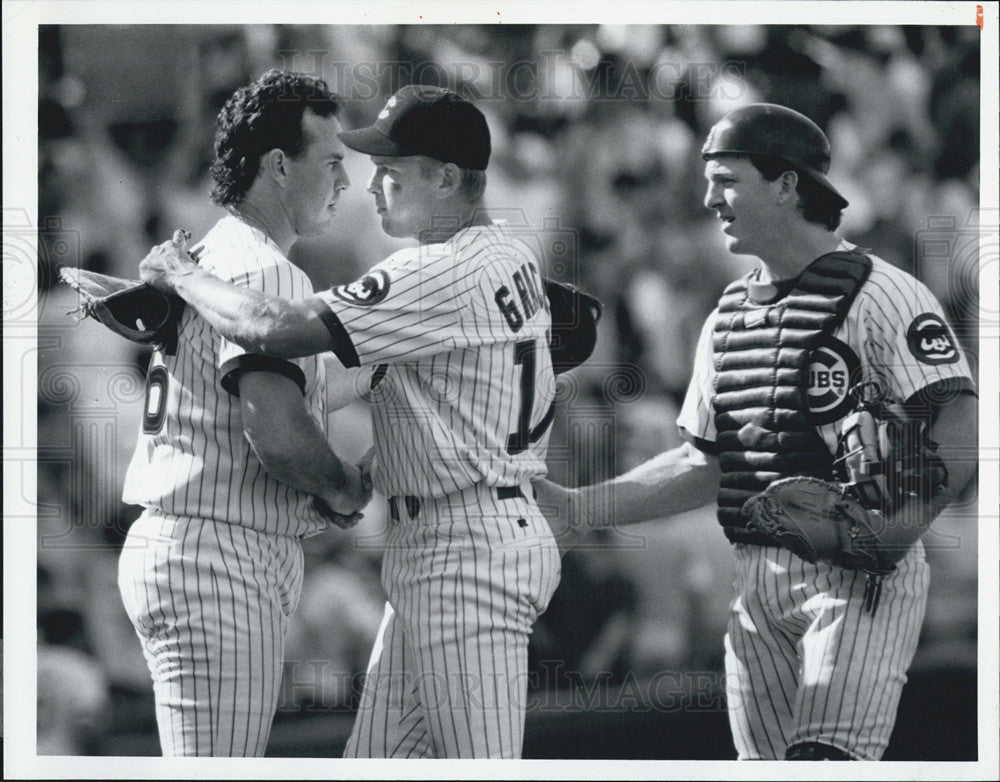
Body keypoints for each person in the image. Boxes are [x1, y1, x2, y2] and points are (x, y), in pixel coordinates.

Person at [538, 104, 978, 760]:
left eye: (727, 179)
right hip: (754, 579)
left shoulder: (884, 294)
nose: (709, 197)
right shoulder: (728, 314)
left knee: (824, 761)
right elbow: (707, 460)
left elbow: (961, 419)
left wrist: (892, 527)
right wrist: (583, 506)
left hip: (852, 577)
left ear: (786, 184)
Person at [138, 84, 562, 759]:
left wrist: (184, 276)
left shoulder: (437, 271)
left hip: (468, 550)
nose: (371, 187)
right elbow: (335, 386)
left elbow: (268, 326)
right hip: (452, 536)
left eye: (392, 173)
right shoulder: (508, 253)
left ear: (448, 178)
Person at [116, 70, 371, 757]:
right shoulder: (266, 270)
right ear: (280, 166)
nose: (344, 183)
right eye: (333, 164)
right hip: (217, 553)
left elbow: (282, 397)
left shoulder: (213, 253)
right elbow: (281, 436)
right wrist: (345, 486)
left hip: (193, 542)